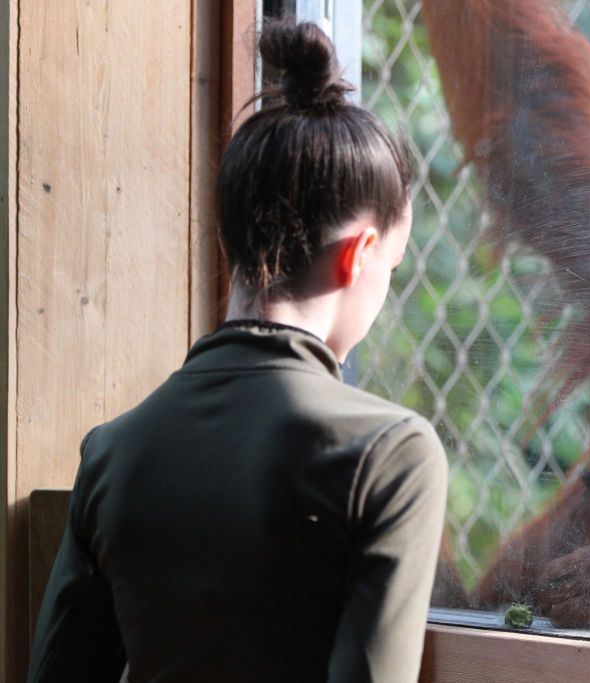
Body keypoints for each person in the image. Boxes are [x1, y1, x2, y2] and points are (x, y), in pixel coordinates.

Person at [28, 20, 447, 683]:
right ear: (360, 254)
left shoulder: (112, 452)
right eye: (392, 266)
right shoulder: (390, 455)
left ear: (233, 241)